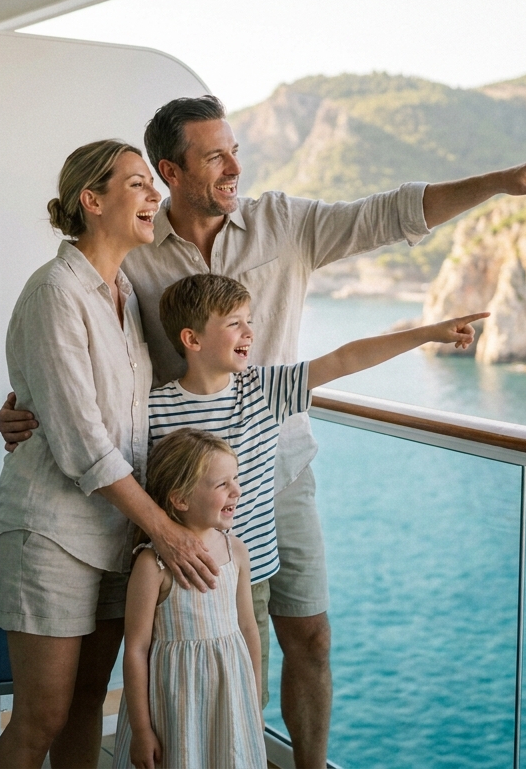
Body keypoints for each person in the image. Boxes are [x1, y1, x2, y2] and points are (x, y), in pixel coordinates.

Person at [0, 95, 526, 767]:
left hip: (279, 474)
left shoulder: (282, 222)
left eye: (235, 149)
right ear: (171, 169)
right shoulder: (131, 255)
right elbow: (81, 371)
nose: (233, 166)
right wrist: (27, 410)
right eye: (214, 155)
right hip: (178, 494)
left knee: (308, 635)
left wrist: (499, 183)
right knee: (196, 644)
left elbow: (389, 216)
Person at [0, 140, 221, 769]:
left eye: (154, 184)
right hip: (50, 531)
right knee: (41, 714)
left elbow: (138, 414)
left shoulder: (125, 297)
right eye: (138, 184)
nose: (155, 195)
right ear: (92, 200)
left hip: (115, 531)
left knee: (89, 701)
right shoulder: (55, 294)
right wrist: (166, 532)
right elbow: (82, 442)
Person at [147, 272, 487, 694]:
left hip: (247, 580)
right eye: (234, 323)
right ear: (191, 339)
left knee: (246, 698)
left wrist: (427, 334)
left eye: (249, 320)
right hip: (177, 580)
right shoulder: (154, 407)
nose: (249, 332)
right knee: (177, 695)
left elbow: (346, 359)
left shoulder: (265, 389)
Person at [112, 430, 267, 769]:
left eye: (236, 479)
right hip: (174, 704)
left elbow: (247, 628)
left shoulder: (235, 551)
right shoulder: (152, 564)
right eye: (221, 484)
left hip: (228, 700)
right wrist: (141, 730)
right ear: (180, 499)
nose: (236, 491)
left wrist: (252, 701)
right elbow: (136, 649)